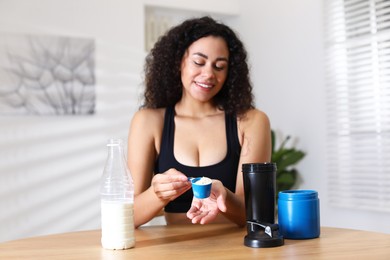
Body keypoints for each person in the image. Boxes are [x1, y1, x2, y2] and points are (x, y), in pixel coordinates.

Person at [127, 16, 271, 228]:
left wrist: (223, 196)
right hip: (173, 250)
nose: (208, 74)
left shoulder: (251, 122)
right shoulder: (148, 122)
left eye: (219, 66)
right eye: (199, 62)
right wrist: (157, 194)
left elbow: (253, 217)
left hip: (234, 250)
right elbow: (128, 218)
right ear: (178, 61)